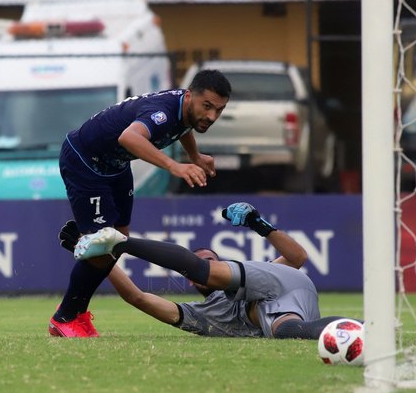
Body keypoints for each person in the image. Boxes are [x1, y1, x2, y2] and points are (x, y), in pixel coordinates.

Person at [48, 70, 232, 338]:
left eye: (219, 110)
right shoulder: (164, 111)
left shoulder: (186, 108)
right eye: (207, 107)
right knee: (103, 245)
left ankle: (75, 307)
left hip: (116, 164)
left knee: (119, 238)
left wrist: (194, 155)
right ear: (190, 96)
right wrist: (173, 165)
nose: (212, 116)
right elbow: (129, 138)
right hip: (85, 161)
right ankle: (65, 316)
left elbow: (184, 126)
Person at [60, 202, 355, 339]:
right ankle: (367, 327)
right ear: (189, 282)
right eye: (200, 264)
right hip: (290, 311)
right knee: (286, 331)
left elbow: (298, 257)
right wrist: (96, 262)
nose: (205, 264)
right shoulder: (201, 316)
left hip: (282, 286)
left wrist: (257, 223)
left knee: (204, 270)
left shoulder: (251, 274)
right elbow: (137, 297)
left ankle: (122, 243)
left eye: (211, 259)